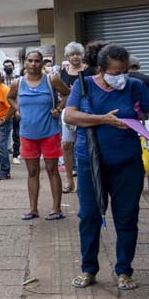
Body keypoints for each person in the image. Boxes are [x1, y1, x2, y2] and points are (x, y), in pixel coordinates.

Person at [65, 43, 149, 291]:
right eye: (115, 72)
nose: (120, 77)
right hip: (91, 161)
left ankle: (124, 270)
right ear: (101, 70)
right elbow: (70, 116)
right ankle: (88, 268)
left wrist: (139, 116)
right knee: (88, 215)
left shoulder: (134, 86)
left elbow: (145, 110)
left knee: (126, 217)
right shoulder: (84, 85)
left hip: (127, 162)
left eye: (124, 71)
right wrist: (103, 120)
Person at [8, 50, 72, 221]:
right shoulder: (18, 83)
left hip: (49, 132)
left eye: (37, 61)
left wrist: (58, 109)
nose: (33, 64)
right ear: (25, 63)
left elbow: (68, 93)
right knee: (32, 172)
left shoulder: (52, 80)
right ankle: (33, 209)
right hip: (27, 134)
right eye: (30, 61)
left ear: (42, 63)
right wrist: (17, 109)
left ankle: (57, 209)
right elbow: (10, 98)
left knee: (52, 170)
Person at [58, 42, 88, 193]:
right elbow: (60, 92)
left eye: (77, 53)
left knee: (85, 146)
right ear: (67, 57)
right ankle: (69, 180)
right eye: (72, 54)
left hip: (86, 113)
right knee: (66, 145)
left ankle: (85, 180)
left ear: (82, 55)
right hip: (68, 112)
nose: (75, 57)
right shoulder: (63, 72)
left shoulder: (89, 70)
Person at [2, 59, 23, 165]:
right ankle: (2, 155)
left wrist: (17, 108)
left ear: (13, 67)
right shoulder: (1, 80)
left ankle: (15, 155)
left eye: (10, 66)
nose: (8, 68)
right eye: (6, 66)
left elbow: (19, 94)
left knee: (16, 133)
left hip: (15, 108)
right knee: (3, 133)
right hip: (4, 110)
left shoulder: (18, 79)